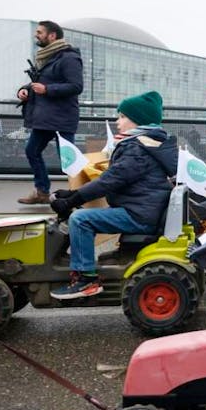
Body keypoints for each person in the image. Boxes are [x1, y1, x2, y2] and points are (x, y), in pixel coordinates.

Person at [48, 91, 176, 299]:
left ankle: (86, 279)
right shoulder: (143, 144)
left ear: (138, 120)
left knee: (80, 219)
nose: (118, 122)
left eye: (123, 116)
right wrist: (73, 194)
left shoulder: (138, 149)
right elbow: (113, 178)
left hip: (138, 215)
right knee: (82, 215)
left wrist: (73, 199)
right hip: (141, 209)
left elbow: (111, 180)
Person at [16, 20, 84, 205]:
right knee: (32, 151)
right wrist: (24, 90)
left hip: (62, 118)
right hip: (45, 118)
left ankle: (80, 196)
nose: (36, 35)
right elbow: (36, 82)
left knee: (69, 160)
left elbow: (76, 86)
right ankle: (42, 191)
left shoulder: (69, 58)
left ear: (52, 35)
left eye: (39, 32)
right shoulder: (45, 57)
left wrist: (47, 90)